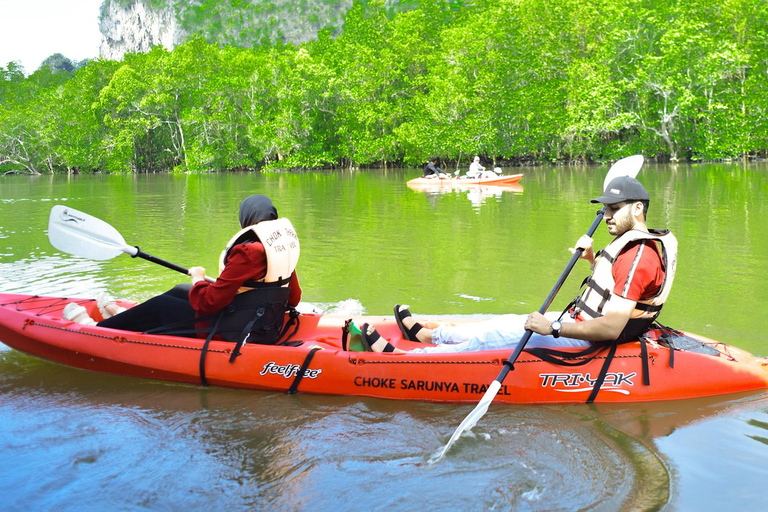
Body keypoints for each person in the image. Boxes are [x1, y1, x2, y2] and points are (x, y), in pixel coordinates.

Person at [361, 176, 677, 354]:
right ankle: (429, 337)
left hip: (589, 336)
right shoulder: (629, 244)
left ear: (638, 208)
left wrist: (552, 328)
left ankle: (408, 359)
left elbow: (611, 327)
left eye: (614, 209)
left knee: (489, 341)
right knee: (497, 325)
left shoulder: (641, 256)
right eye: (605, 209)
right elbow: (613, 288)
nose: (607, 216)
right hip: (579, 319)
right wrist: (593, 259)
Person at [62, 194, 302, 345]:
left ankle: (97, 330)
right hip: (262, 321)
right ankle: (119, 317)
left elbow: (209, 303)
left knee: (162, 306)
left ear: (246, 219)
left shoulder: (248, 252)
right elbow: (294, 298)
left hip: (237, 330)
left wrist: (199, 279)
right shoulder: (278, 247)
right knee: (180, 290)